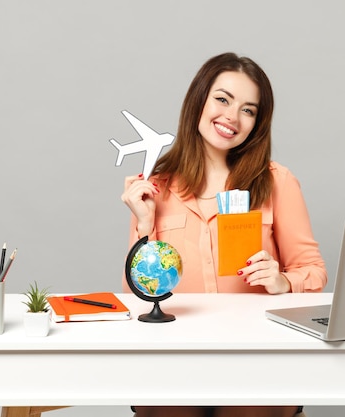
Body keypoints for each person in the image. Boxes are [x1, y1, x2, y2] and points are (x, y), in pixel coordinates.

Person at [121, 52, 327, 417]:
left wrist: (283, 281)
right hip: (174, 358)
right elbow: (136, 296)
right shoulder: (156, 187)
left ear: (256, 123)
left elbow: (313, 271)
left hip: (258, 355)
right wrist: (143, 224)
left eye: (248, 110)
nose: (231, 117)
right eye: (222, 99)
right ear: (199, 100)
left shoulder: (277, 181)